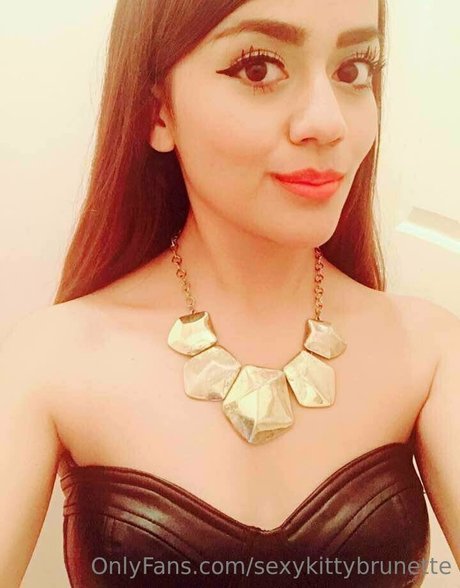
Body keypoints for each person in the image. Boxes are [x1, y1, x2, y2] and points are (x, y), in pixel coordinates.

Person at [1, 0, 459, 586]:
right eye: (259, 68)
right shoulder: (51, 358)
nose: (329, 123)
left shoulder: (430, 352)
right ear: (157, 111)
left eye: (353, 70)